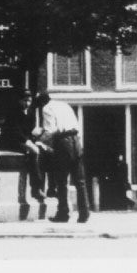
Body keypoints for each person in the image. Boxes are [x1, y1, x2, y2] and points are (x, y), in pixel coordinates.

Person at [34, 92, 90, 224]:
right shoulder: (65, 105)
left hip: (63, 143)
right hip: (76, 141)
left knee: (62, 180)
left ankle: (63, 214)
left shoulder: (46, 108)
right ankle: (84, 213)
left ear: (41, 102)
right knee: (80, 181)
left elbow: (50, 130)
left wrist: (38, 139)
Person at [1, 89, 45, 202]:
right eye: (25, 101)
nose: (27, 104)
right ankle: (36, 188)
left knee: (42, 150)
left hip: (25, 141)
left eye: (29, 101)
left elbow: (30, 130)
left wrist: (35, 139)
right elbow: (15, 131)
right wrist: (28, 143)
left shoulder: (30, 113)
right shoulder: (13, 113)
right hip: (13, 142)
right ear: (20, 101)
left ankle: (49, 188)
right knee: (33, 152)